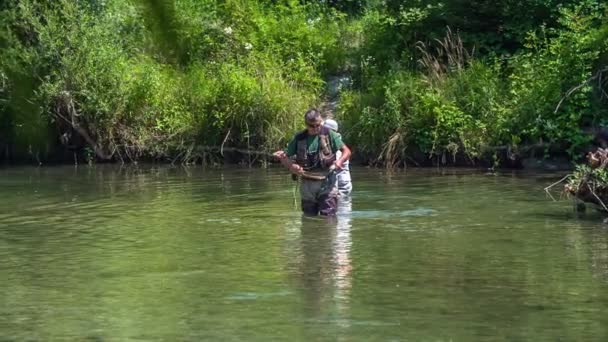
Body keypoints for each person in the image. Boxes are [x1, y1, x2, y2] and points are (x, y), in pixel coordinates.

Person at [273, 109, 351, 216]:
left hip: (327, 181)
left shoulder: (330, 134)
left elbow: (347, 151)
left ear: (321, 122)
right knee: (308, 218)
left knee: (328, 217)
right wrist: (291, 166)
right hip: (307, 184)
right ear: (306, 124)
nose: (315, 128)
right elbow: (285, 157)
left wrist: (340, 161)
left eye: (317, 125)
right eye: (311, 126)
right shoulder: (299, 138)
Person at [323, 119, 352, 197]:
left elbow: (332, 162)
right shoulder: (329, 143)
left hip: (341, 186)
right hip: (335, 184)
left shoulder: (337, 144)